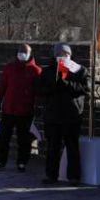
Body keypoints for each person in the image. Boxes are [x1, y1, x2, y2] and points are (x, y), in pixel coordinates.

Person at [36, 43, 90, 185]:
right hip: (53, 115)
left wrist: (67, 83)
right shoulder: (48, 71)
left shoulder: (80, 70)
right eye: (60, 54)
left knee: (72, 147)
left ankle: (73, 176)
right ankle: (51, 175)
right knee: (52, 147)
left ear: (70, 55)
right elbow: (40, 90)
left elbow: (85, 88)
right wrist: (53, 84)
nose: (63, 57)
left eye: (66, 54)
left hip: (71, 114)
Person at [0, 43, 42, 172]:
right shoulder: (9, 68)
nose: (22, 54)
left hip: (25, 110)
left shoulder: (35, 70)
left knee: (24, 139)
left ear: (30, 54)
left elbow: (37, 91)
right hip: (9, 108)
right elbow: (3, 85)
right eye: (20, 51)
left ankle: (22, 162)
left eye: (24, 52)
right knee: (3, 137)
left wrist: (37, 106)